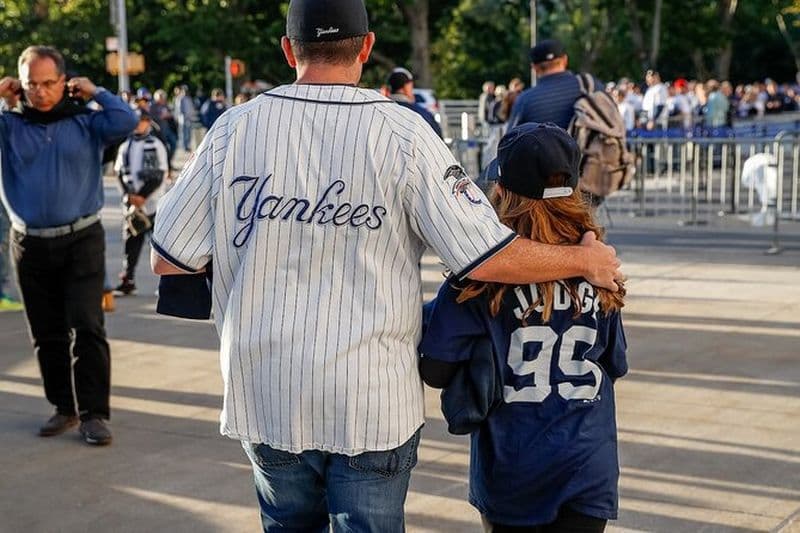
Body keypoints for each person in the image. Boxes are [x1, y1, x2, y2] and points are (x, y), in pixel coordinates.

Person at [150, 1, 622, 530]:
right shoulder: (405, 134)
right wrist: (582, 258)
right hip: (370, 399)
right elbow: (486, 254)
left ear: (288, 50)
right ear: (367, 47)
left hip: (266, 388)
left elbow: (169, 258)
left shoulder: (232, 130)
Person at [420, 123, 628, 532]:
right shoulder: (598, 267)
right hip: (587, 463)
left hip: (515, 466)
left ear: (502, 191)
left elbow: (435, 369)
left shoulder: (479, 280)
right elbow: (614, 362)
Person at [0, 45, 137, 445]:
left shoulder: (86, 122)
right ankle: (64, 407)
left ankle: (94, 414)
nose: (40, 92)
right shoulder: (10, 126)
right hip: (29, 243)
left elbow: (125, 120)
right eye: (32, 84)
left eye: (48, 83)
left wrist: (95, 92)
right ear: (20, 85)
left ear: (64, 81)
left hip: (82, 240)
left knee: (87, 325)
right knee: (46, 333)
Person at [113, 110, 168, 296]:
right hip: (133, 204)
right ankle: (128, 279)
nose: (138, 124)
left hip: (152, 202)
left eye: (142, 121)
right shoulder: (125, 146)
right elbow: (120, 172)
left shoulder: (155, 144)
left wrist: (143, 195)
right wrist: (130, 196)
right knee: (131, 244)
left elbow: (159, 173)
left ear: (148, 122)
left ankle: (166, 283)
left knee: (160, 245)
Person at [508, 39, 598, 130]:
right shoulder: (590, 85)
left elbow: (509, 141)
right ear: (565, 60)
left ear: (534, 68)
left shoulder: (525, 100)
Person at [387, 67, 442, 137]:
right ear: (406, 86)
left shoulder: (378, 109)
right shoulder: (421, 113)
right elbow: (438, 138)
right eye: (411, 85)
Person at [173, 84, 195, 151]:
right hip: (183, 119)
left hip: (189, 118)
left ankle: (187, 145)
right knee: (183, 132)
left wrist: (191, 116)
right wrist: (184, 116)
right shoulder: (180, 99)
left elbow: (191, 108)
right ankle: (184, 146)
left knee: (188, 132)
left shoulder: (188, 98)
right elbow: (179, 110)